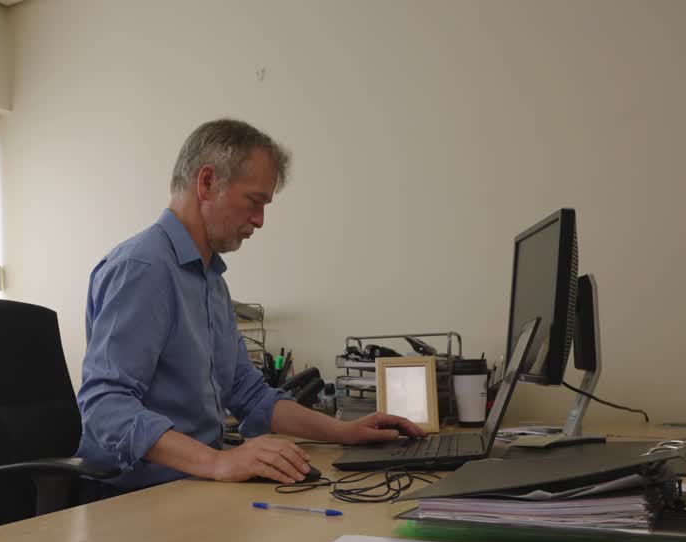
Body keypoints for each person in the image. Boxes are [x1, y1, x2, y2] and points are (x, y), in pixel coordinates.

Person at [76, 118, 425, 492]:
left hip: (195, 486)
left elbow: (250, 394)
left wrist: (345, 432)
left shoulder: (211, 282)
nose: (259, 221)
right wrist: (217, 461)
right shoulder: (142, 269)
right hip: (131, 500)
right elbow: (105, 407)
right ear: (207, 183)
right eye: (254, 202)